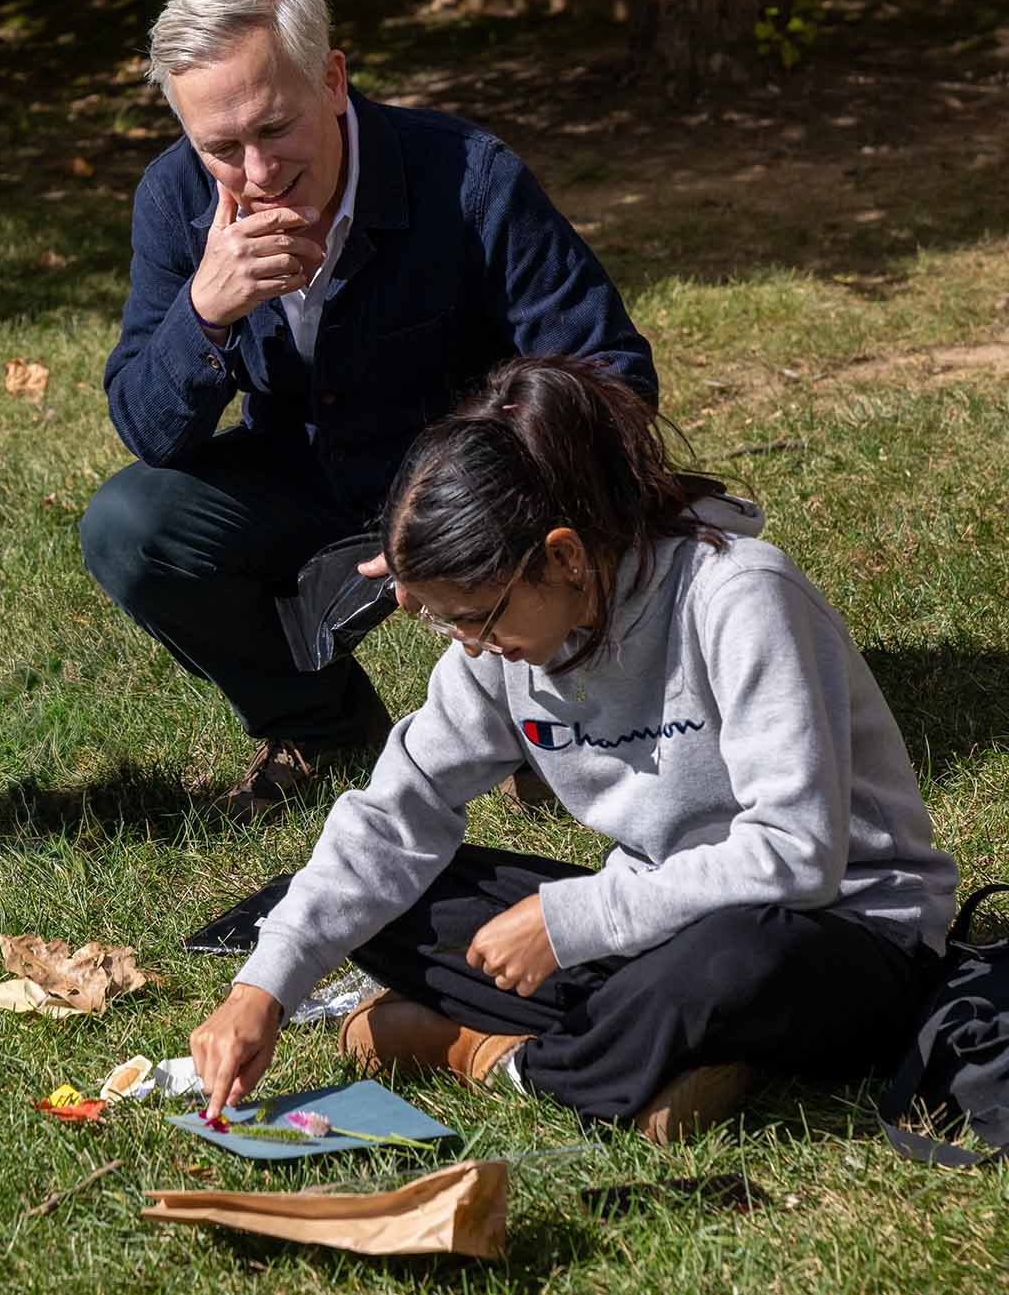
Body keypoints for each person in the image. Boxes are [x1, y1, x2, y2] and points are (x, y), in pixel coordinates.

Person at [188, 355, 958, 1139]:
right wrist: (264, 988)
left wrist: (573, 920)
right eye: (444, 622)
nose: (471, 647)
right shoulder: (495, 651)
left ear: (562, 556)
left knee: (726, 961)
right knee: (386, 899)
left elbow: (797, 855)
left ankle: (495, 1057)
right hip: (657, 923)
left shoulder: (740, 598)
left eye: (479, 618)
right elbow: (392, 815)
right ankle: (679, 1059)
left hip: (843, 929)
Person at [79, 0, 656, 823]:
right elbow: (151, 430)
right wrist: (205, 309)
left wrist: (487, 501)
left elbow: (611, 373)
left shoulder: (466, 176)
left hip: (478, 481)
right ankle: (322, 724)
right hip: (309, 477)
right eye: (222, 148)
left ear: (333, 80)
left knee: (592, 483)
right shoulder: (174, 199)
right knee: (129, 525)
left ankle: (548, 709)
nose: (258, 173)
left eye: (275, 129)